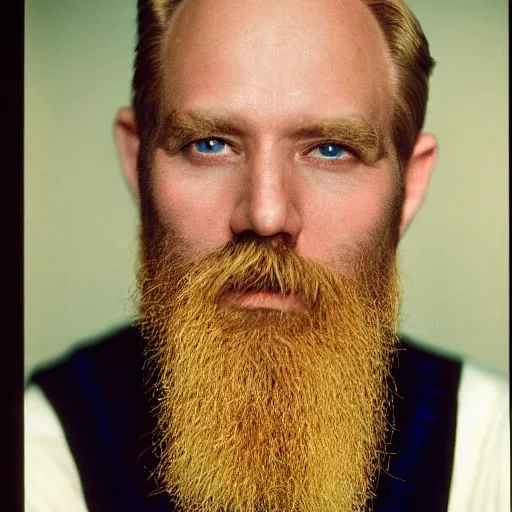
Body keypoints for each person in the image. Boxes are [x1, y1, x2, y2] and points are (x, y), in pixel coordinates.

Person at [24, 0, 509, 510]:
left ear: (407, 188)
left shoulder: (492, 450)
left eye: (330, 149)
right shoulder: (36, 460)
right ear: (136, 164)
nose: (266, 214)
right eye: (209, 144)